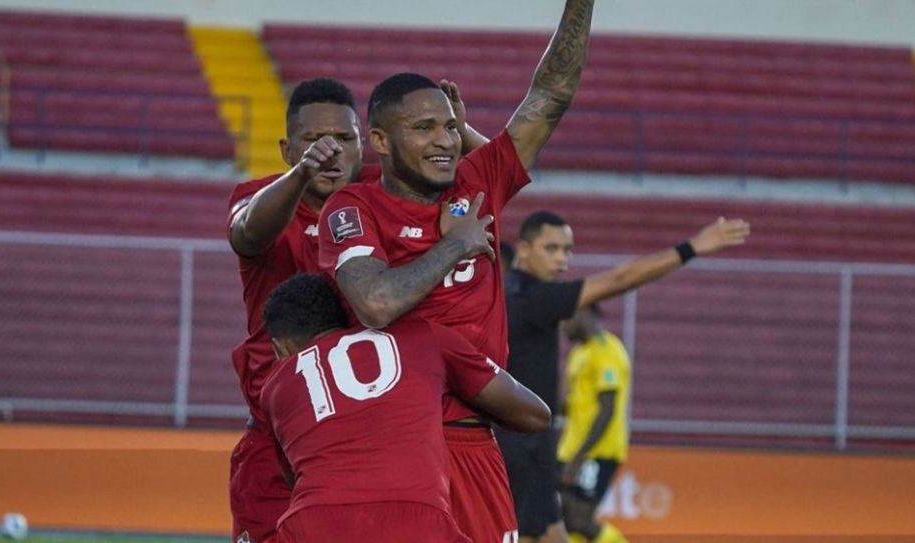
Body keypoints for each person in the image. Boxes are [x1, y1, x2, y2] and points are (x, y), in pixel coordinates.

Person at [319, 2, 601, 539]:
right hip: (395, 442)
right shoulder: (353, 208)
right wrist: (458, 246)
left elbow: (549, 96)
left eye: (451, 126)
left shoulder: (479, 182)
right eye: (424, 128)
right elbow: (374, 303)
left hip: (477, 442)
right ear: (379, 141)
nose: (446, 140)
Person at [226, 77, 486, 543]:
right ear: (288, 149)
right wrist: (302, 175)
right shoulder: (262, 197)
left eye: (345, 139)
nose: (330, 151)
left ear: (367, 144)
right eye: (313, 141)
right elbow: (245, 233)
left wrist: (460, 132)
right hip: (277, 433)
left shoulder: (385, 197)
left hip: (368, 440)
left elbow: (488, 176)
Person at [496, 210, 750, 543]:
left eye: (567, 250)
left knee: (555, 533)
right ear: (524, 250)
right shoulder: (533, 298)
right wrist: (692, 248)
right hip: (523, 447)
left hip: (534, 445)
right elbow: (621, 279)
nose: (562, 259)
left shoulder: (514, 297)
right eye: (551, 248)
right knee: (551, 529)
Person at [258, 273, 551, 543]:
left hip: (312, 522)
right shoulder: (423, 336)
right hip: (413, 516)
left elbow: (295, 476)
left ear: (281, 348)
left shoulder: (274, 387)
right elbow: (534, 415)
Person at [558, 305, 630, 543]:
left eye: (566, 317)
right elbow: (574, 403)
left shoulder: (606, 350)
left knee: (579, 520)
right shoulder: (580, 352)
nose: (563, 325)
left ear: (584, 312)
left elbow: (607, 410)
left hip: (596, 452)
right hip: (570, 449)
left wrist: (579, 458)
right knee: (562, 518)